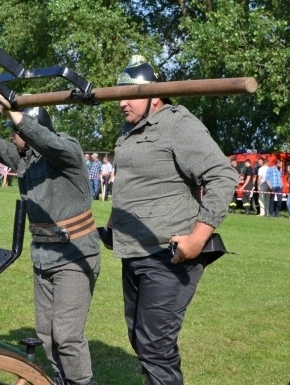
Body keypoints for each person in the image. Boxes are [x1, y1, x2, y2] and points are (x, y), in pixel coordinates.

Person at [104, 55, 237, 385]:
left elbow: (223, 175)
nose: (121, 103)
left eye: (129, 94)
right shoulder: (130, 131)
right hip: (135, 251)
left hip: (169, 255)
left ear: (155, 95)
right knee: (141, 339)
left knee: (154, 346)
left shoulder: (178, 123)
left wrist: (198, 238)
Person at [0, 93, 100, 385]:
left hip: (75, 255)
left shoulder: (66, 151)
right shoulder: (26, 160)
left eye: (15, 131)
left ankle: (82, 383)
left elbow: (47, 142)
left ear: (30, 130)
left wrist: (12, 112)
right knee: (46, 333)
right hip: (44, 255)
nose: (12, 137)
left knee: (67, 334)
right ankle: (61, 379)